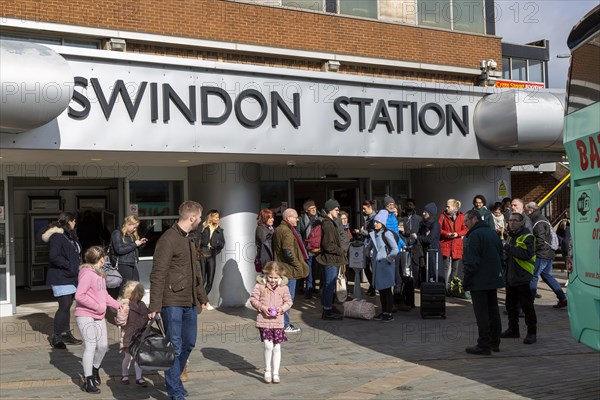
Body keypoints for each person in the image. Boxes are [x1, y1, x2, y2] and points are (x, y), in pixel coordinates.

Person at [148, 201, 209, 400]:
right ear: (192, 218)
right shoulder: (168, 239)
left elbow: (195, 272)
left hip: (190, 301)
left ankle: (174, 379)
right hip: (171, 301)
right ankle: (175, 391)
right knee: (174, 346)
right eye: (199, 217)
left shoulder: (190, 239)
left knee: (189, 343)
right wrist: (155, 305)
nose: (201, 221)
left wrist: (202, 297)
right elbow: (158, 273)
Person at [75, 246, 122, 393]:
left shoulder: (100, 275)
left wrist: (118, 305)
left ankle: (95, 368)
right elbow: (79, 295)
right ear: (101, 259)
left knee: (102, 346)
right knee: (90, 346)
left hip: (98, 315)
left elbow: (105, 295)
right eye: (105, 257)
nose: (106, 259)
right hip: (85, 314)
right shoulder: (87, 274)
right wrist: (96, 306)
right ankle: (88, 380)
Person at [462, 209, 504, 355]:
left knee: (482, 314)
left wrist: (466, 281)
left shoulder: (474, 236)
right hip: (492, 279)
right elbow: (501, 255)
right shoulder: (492, 233)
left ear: (474, 219)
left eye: (466, 222)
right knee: (493, 311)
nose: (465, 225)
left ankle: (484, 344)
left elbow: (471, 262)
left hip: (479, 280)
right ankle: (495, 342)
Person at [42, 211, 84, 349]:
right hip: (61, 276)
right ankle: (56, 336)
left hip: (71, 276)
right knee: (64, 306)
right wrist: (69, 266)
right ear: (68, 221)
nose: (75, 223)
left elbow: (76, 254)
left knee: (67, 306)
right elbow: (53, 256)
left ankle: (66, 334)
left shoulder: (70, 236)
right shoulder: (57, 237)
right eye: (73, 221)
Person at [250, 261, 293, 384]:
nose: (273, 280)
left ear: (280, 277)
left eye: (275, 278)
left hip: (278, 321)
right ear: (266, 274)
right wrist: (262, 308)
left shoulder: (283, 287)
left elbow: (289, 301)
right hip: (264, 320)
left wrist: (281, 309)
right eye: (270, 277)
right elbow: (253, 299)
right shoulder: (260, 285)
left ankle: (276, 373)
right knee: (268, 345)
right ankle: (267, 370)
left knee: (277, 347)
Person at [501, 213, 538, 345]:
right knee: (510, 306)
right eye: (510, 220)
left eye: (515, 220)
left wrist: (507, 248)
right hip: (511, 276)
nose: (512, 223)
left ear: (522, 222)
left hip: (523, 276)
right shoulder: (511, 236)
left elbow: (526, 254)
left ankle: (532, 333)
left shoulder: (527, 236)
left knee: (527, 306)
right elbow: (510, 254)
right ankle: (513, 329)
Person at [272, 208, 309, 333]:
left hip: (282, 267)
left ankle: (281, 323)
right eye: (295, 217)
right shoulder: (286, 231)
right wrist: (297, 265)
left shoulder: (279, 229)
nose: (297, 219)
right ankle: (285, 324)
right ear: (288, 218)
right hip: (288, 269)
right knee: (288, 298)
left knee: (282, 297)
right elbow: (288, 252)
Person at [525, 202, 567, 308]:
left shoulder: (538, 221)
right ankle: (562, 298)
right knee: (547, 276)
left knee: (533, 277)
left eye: (526, 210)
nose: (525, 212)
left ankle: (529, 304)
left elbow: (540, 239)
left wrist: (535, 252)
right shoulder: (541, 218)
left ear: (531, 209)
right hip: (548, 253)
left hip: (541, 254)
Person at [316, 199, 348, 320]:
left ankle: (327, 307)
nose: (338, 211)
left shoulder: (329, 221)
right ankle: (327, 311)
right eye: (336, 209)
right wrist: (341, 251)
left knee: (327, 285)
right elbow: (328, 245)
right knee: (329, 285)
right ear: (330, 210)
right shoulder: (328, 223)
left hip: (329, 258)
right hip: (330, 259)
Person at [115, 280, 149, 387]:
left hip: (140, 335)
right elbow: (120, 322)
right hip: (128, 335)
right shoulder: (125, 305)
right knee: (128, 357)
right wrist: (123, 313)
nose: (138, 296)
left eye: (139, 293)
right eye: (136, 293)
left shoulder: (142, 304)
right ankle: (124, 375)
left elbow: (145, 318)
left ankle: (139, 377)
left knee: (139, 357)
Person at [368, 210, 399, 322]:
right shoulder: (374, 234)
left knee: (386, 290)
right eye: (375, 221)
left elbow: (395, 249)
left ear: (383, 223)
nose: (375, 223)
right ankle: (384, 312)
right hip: (378, 266)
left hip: (385, 266)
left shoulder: (387, 234)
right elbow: (371, 246)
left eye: (378, 222)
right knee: (381, 290)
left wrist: (389, 259)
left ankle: (389, 313)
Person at [110, 215, 148, 295]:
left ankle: (132, 304)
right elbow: (119, 250)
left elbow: (133, 249)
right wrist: (135, 244)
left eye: (136, 227)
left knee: (136, 286)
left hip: (131, 263)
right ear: (128, 224)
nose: (135, 229)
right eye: (134, 227)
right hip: (122, 263)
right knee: (125, 288)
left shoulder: (131, 235)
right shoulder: (117, 233)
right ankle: (123, 305)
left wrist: (140, 244)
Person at [198, 209, 225, 310]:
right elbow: (197, 240)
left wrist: (217, 245)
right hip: (202, 254)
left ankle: (201, 300)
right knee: (202, 279)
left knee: (210, 280)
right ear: (211, 217)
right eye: (216, 217)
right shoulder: (203, 227)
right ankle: (203, 301)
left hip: (211, 255)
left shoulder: (219, 230)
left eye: (218, 217)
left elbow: (222, 244)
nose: (218, 219)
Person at [439, 199, 467, 292]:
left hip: (457, 244)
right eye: (446, 206)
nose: (446, 208)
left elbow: (465, 229)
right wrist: (446, 234)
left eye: (448, 206)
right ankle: (445, 288)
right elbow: (438, 229)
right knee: (445, 268)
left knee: (455, 268)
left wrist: (457, 234)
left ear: (454, 207)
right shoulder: (442, 216)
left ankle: (452, 288)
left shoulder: (461, 216)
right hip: (446, 244)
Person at [412, 202, 443, 283]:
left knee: (434, 274)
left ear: (430, 213)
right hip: (425, 252)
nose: (423, 213)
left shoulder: (435, 224)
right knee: (427, 274)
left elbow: (430, 239)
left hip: (433, 252)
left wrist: (418, 237)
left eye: (425, 212)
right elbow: (424, 237)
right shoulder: (423, 224)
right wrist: (423, 237)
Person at [297, 200, 320, 299]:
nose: (314, 210)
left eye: (315, 208)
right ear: (306, 210)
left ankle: (316, 287)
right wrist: (302, 245)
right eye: (311, 208)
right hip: (308, 249)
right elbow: (298, 233)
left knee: (318, 270)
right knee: (309, 270)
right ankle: (309, 290)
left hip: (319, 248)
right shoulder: (302, 219)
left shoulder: (320, 218)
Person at [354, 200, 377, 297]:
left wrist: (361, 231)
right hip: (366, 244)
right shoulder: (367, 217)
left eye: (365, 209)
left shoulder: (374, 218)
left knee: (371, 267)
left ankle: (373, 287)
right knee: (366, 267)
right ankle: (372, 286)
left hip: (371, 246)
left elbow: (372, 233)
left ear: (370, 207)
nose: (363, 211)